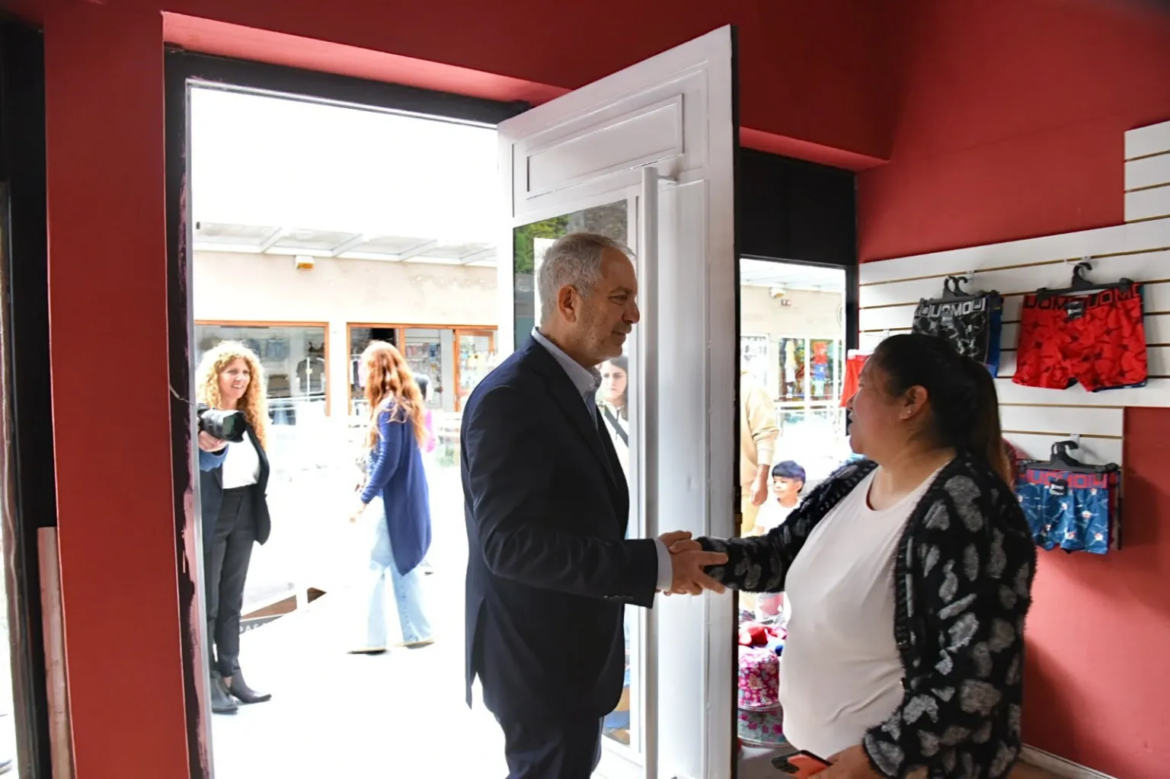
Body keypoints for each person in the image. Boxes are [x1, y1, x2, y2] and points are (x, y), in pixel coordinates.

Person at [678, 333, 1036, 778]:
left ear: (911, 402)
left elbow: (976, 671)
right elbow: (778, 555)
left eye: (863, 386)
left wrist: (878, 757)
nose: (850, 400)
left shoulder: (969, 507)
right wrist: (696, 558)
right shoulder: (854, 479)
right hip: (824, 757)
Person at [461, 232, 727, 779]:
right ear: (568, 301)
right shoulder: (513, 398)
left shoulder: (569, 387)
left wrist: (653, 558)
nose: (634, 315)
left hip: (564, 655)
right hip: (538, 660)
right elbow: (509, 545)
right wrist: (651, 565)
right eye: (620, 298)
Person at [195, 341, 273, 715]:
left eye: (245, 372)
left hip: (245, 511)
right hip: (214, 514)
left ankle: (231, 673)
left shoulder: (249, 419)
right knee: (208, 603)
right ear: (216, 376)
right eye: (232, 372)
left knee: (232, 600)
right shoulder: (202, 419)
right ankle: (208, 679)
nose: (240, 378)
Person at [348, 341, 434, 653]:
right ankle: (417, 631)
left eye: (363, 367)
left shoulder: (389, 408)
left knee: (373, 566)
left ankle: (372, 638)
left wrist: (363, 498)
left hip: (390, 501)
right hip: (401, 499)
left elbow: (388, 460)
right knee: (402, 564)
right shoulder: (401, 405)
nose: (359, 373)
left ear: (375, 369)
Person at [740, 370, 779, 535]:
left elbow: (765, 435)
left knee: (740, 540)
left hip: (743, 488)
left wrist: (761, 478)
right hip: (703, 486)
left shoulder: (750, 387)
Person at [751, 460, 806, 537]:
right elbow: (757, 531)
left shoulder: (804, 509)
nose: (777, 485)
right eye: (775, 481)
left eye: (783, 482)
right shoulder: (768, 506)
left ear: (798, 485)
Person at [598, 356, 629, 476]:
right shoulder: (590, 411)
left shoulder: (641, 413)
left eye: (617, 376)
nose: (611, 382)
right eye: (606, 376)